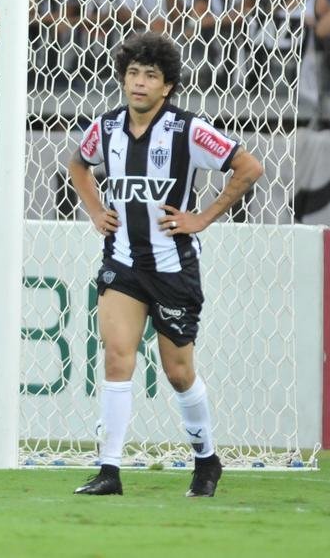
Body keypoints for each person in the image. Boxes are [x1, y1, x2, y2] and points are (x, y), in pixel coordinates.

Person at [66, 32, 264, 497]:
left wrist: (203, 218)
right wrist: (96, 210)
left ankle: (206, 459)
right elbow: (77, 164)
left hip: (174, 268)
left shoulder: (188, 130)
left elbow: (249, 167)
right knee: (117, 356)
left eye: (150, 76)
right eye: (133, 73)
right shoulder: (106, 127)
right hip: (122, 263)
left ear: (167, 86)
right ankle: (109, 470)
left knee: (177, 372)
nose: (138, 83)